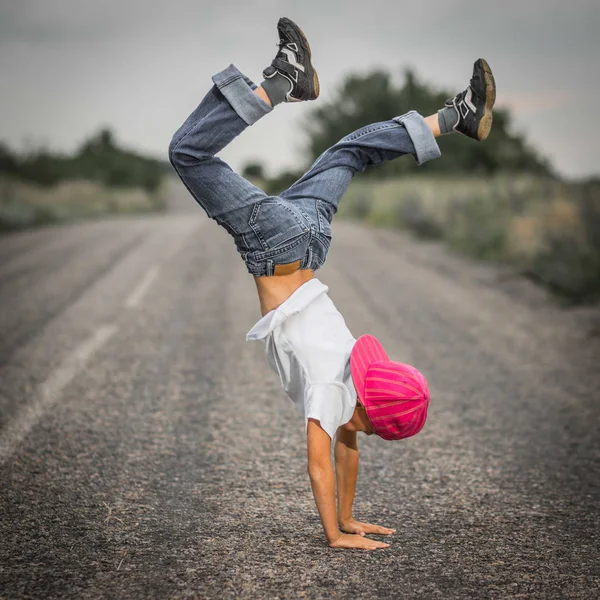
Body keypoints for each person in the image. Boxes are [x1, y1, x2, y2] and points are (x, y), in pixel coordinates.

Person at [169, 17, 496, 551]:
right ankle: (278, 84)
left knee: (349, 150)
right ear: (367, 413)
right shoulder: (332, 395)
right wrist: (335, 535)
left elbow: (348, 450)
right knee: (188, 155)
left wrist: (351, 519)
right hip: (277, 247)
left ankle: (456, 116)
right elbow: (322, 466)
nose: (355, 432)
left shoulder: (347, 396)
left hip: (311, 237)